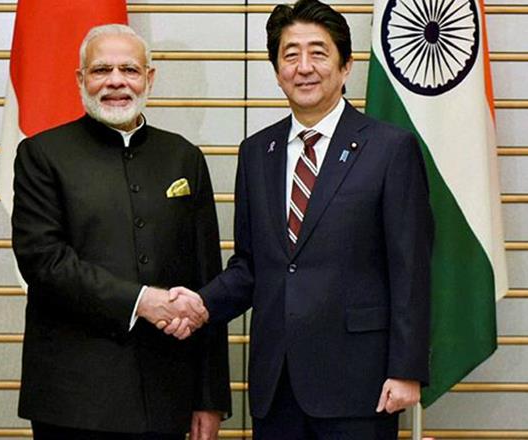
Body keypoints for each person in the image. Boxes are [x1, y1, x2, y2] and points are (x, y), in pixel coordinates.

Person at [166, 0, 433, 438]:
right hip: (276, 385)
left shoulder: (390, 149)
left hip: (360, 385)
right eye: (290, 55)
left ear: (346, 66)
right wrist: (199, 305)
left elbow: (412, 268)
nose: (304, 67)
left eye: (318, 53)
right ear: (277, 71)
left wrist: (407, 369)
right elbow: (251, 265)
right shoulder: (257, 152)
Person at [11, 24, 231, 440]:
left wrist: (209, 396)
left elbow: (206, 276)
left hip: (167, 396)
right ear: (81, 79)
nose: (116, 81)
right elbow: (44, 263)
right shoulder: (41, 155)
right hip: (72, 401)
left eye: (129, 69)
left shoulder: (183, 157)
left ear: (149, 78)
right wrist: (141, 301)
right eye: (101, 70)